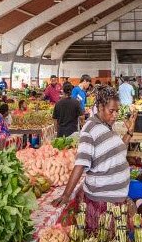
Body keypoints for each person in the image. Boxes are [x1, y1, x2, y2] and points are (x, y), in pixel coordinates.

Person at [54, 87, 136, 228]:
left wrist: (129, 132)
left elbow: (118, 150)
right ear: (100, 107)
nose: (115, 115)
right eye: (111, 111)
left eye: (117, 111)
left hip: (116, 197)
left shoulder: (107, 126)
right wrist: (66, 194)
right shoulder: (90, 129)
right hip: (103, 202)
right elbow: (80, 164)